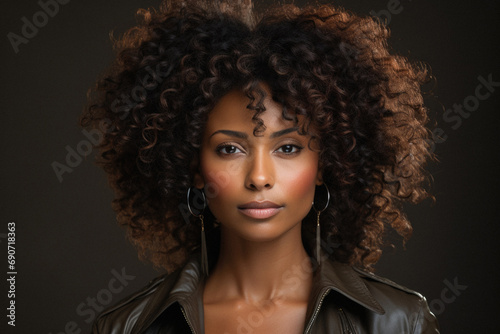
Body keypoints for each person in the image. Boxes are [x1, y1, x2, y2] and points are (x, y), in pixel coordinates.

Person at [82, 0, 440, 332]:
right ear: (192, 167)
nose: (259, 177)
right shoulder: (128, 327)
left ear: (325, 166)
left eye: (287, 147)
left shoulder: (397, 322)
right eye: (230, 149)